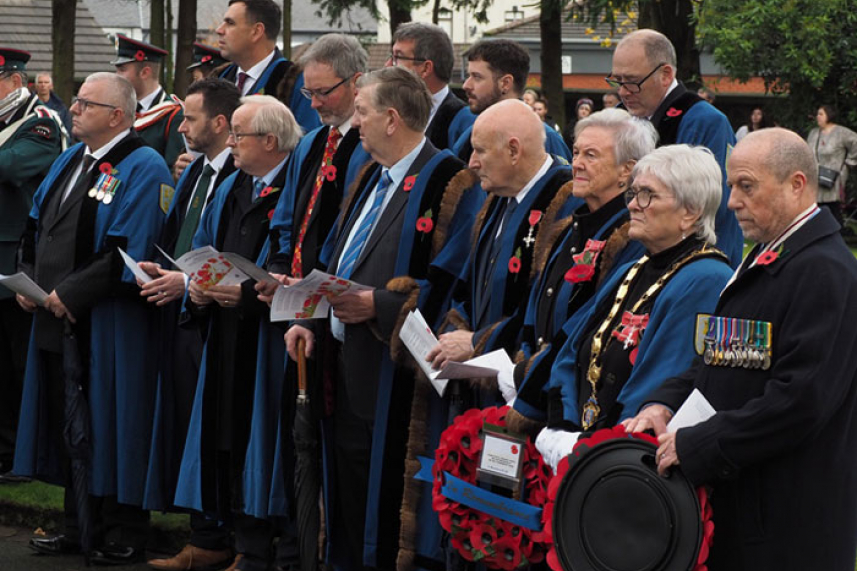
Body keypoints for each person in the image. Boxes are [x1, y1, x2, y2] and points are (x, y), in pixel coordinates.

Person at [624, 128, 857, 571]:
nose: (731, 202)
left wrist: (698, 445)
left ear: (796, 185)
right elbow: (719, 358)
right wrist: (664, 404)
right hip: (747, 510)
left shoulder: (824, 271)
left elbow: (801, 401)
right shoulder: (770, 254)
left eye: (746, 186)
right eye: (732, 186)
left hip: (788, 528)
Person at [283, 67, 482, 571]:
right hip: (340, 361)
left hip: (391, 374)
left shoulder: (449, 182)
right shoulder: (368, 172)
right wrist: (307, 314)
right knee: (346, 493)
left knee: (383, 502)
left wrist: (380, 305)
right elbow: (334, 256)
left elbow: (453, 282)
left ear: (392, 119)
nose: (354, 122)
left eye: (362, 112)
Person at [15, 72, 173, 565]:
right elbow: (35, 224)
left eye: (86, 103)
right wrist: (27, 279)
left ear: (118, 116)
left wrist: (70, 293)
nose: (74, 108)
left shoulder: (144, 165)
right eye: (76, 101)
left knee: (113, 417)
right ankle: (77, 523)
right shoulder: (71, 159)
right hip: (54, 313)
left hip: (109, 321)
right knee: (70, 421)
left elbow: (128, 247)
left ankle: (124, 528)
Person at [527, 145, 732, 467]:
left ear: (690, 212)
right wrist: (563, 427)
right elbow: (572, 348)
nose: (634, 205)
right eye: (634, 193)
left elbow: (665, 377)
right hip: (583, 446)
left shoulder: (706, 278)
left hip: (628, 460)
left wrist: (596, 446)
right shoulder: (631, 268)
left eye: (648, 195)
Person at [174, 95, 301, 571]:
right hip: (225, 335)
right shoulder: (232, 187)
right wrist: (198, 289)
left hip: (267, 340)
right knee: (226, 436)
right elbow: (204, 247)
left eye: (239, 135)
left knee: (264, 441)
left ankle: (269, 550)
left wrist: (246, 296)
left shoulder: (292, 190)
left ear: (269, 141)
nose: (231, 143)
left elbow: (290, 262)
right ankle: (241, 544)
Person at [261, 33, 370, 571]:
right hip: (299, 308)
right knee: (297, 434)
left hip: (339, 311)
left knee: (334, 437)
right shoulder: (312, 142)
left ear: (355, 83)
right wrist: (282, 270)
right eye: (308, 92)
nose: (315, 102)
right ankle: (299, 541)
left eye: (324, 91)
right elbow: (289, 219)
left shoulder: (366, 145)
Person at [501, 109, 655, 427]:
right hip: (536, 384)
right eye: (575, 152)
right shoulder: (572, 226)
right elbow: (537, 305)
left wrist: (530, 378)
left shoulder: (632, 236)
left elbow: (591, 321)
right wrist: (525, 361)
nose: (577, 163)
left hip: (575, 404)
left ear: (627, 171)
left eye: (591, 155)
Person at [142, 77, 241, 571]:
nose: (180, 127)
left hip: (210, 318)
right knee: (185, 425)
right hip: (178, 312)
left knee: (212, 430)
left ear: (221, 123)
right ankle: (202, 533)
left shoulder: (236, 177)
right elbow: (176, 234)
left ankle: (216, 538)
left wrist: (188, 285)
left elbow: (230, 253)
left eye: (191, 119)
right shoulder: (194, 170)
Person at [429, 100, 573, 391]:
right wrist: (458, 331)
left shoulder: (566, 205)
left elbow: (545, 309)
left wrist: (476, 341)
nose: (471, 162)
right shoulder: (498, 197)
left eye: (480, 150)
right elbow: (468, 287)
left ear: (513, 150)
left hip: (517, 386)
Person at [608, 29, 742, 266]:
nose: (622, 91)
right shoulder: (620, 118)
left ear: (666, 75)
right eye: (617, 80)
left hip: (692, 263)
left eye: (631, 82)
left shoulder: (704, 121)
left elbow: (710, 208)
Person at [0, 48, 64, 482]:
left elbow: (8, 166)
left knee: (17, 362)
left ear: (13, 81)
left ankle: (22, 452)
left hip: (17, 262)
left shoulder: (40, 122)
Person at [453, 39, 571, 162]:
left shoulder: (546, 139)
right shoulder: (469, 135)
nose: (466, 85)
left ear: (505, 83)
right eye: (468, 76)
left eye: (477, 77)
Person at [216, 0, 319, 133]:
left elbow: (307, 144)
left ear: (257, 31)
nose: (219, 30)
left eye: (230, 23)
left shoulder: (295, 82)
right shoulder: (220, 78)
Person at [387, 22, 475, 151]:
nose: (388, 65)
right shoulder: (390, 114)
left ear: (425, 68)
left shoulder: (465, 125)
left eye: (398, 58)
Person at [112, 34, 185, 172]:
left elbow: (172, 172)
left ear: (145, 73)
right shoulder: (120, 110)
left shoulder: (173, 115)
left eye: (122, 70)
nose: (116, 76)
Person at [806, 104, 857, 227]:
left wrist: (849, 164)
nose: (818, 117)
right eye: (817, 114)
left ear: (829, 115)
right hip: (815, 178)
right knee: (815, 209)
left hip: (832, 178)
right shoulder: (813, 133)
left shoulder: (841, 132)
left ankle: (837, 235)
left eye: (821, 114)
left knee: (832, 208)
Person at [34, 72, 72, 139]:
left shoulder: (61, 108)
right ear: (36, 86)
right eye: (40, 82)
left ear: (51, 86)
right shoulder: (30, 106)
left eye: (46, 82)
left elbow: (67, 131)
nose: (43, 85)